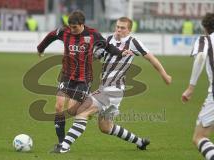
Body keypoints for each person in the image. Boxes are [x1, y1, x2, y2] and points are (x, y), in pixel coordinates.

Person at [53, 16, 172, 153]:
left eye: (122, 28)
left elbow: (151, 58)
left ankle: (64, 147)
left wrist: (164, 75)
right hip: (108, 89)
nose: (119, 30)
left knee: (82, 112)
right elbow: (96, 56)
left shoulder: (133, 42)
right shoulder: (108, 40)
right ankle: (140, 142)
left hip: (113, 89)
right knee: (106, 127)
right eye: (117, 27)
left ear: (129, 30)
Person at [37, 11, 132, 148]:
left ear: (82, 25)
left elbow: (108, 46)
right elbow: (51, 36)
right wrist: (40, 48)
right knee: (58, 106)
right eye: (70, 27)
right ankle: (61, 142)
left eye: (75, 27)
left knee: (71, 110)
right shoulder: (64, 31)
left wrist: (120, 52)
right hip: (66, 75)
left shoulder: (93, 34)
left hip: (84, 78)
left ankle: (92, 110)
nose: (72, 30)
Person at [182, 13, 214, 160]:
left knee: (199, 136)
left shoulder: (205, 39)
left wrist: (191, 87)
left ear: (205, 28)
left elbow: (200, 56)